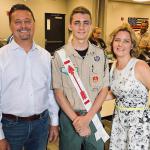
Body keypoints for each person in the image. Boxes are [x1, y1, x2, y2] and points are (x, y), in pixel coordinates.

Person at [0, 4, 59, 150]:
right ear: (11, 25)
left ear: (34, 23)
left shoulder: (45, 56)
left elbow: (50, 91)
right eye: (17, 22)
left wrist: (54, 122)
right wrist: (0, 136)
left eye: (27, 21)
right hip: (11, 127)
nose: (23, 26)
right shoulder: (1, 56)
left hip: (41, 124)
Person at [52, 6, 109, 150]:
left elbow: (104, 89)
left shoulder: (100, 54)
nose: (81, 27)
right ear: (70, 26)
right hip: (69, 118)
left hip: (94, 116)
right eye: (77, 23)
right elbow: (58, 93)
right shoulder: (59, 56)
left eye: (85, 22)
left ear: (90, 25)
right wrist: (77, 121)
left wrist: (87, 118)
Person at [107, 23, 150, 150]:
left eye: (126, 41)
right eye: (117, 40)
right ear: (112, 43)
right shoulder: (114, 66)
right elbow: (114, 93)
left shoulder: (139, 66)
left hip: (138, 124)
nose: (120, 44)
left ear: (132, 45)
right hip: (119, 121)